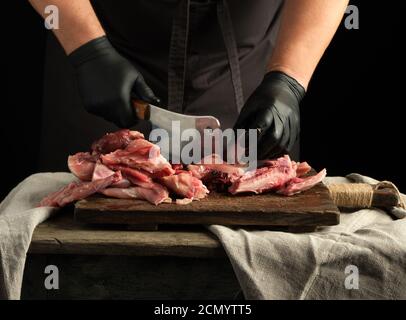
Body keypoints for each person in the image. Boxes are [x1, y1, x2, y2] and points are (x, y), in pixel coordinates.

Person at [29, 0, 349, 168]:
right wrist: (87, 49)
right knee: (83, 237)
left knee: (248, 247)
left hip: (249, 58)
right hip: (100, 39)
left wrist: (288, 78)